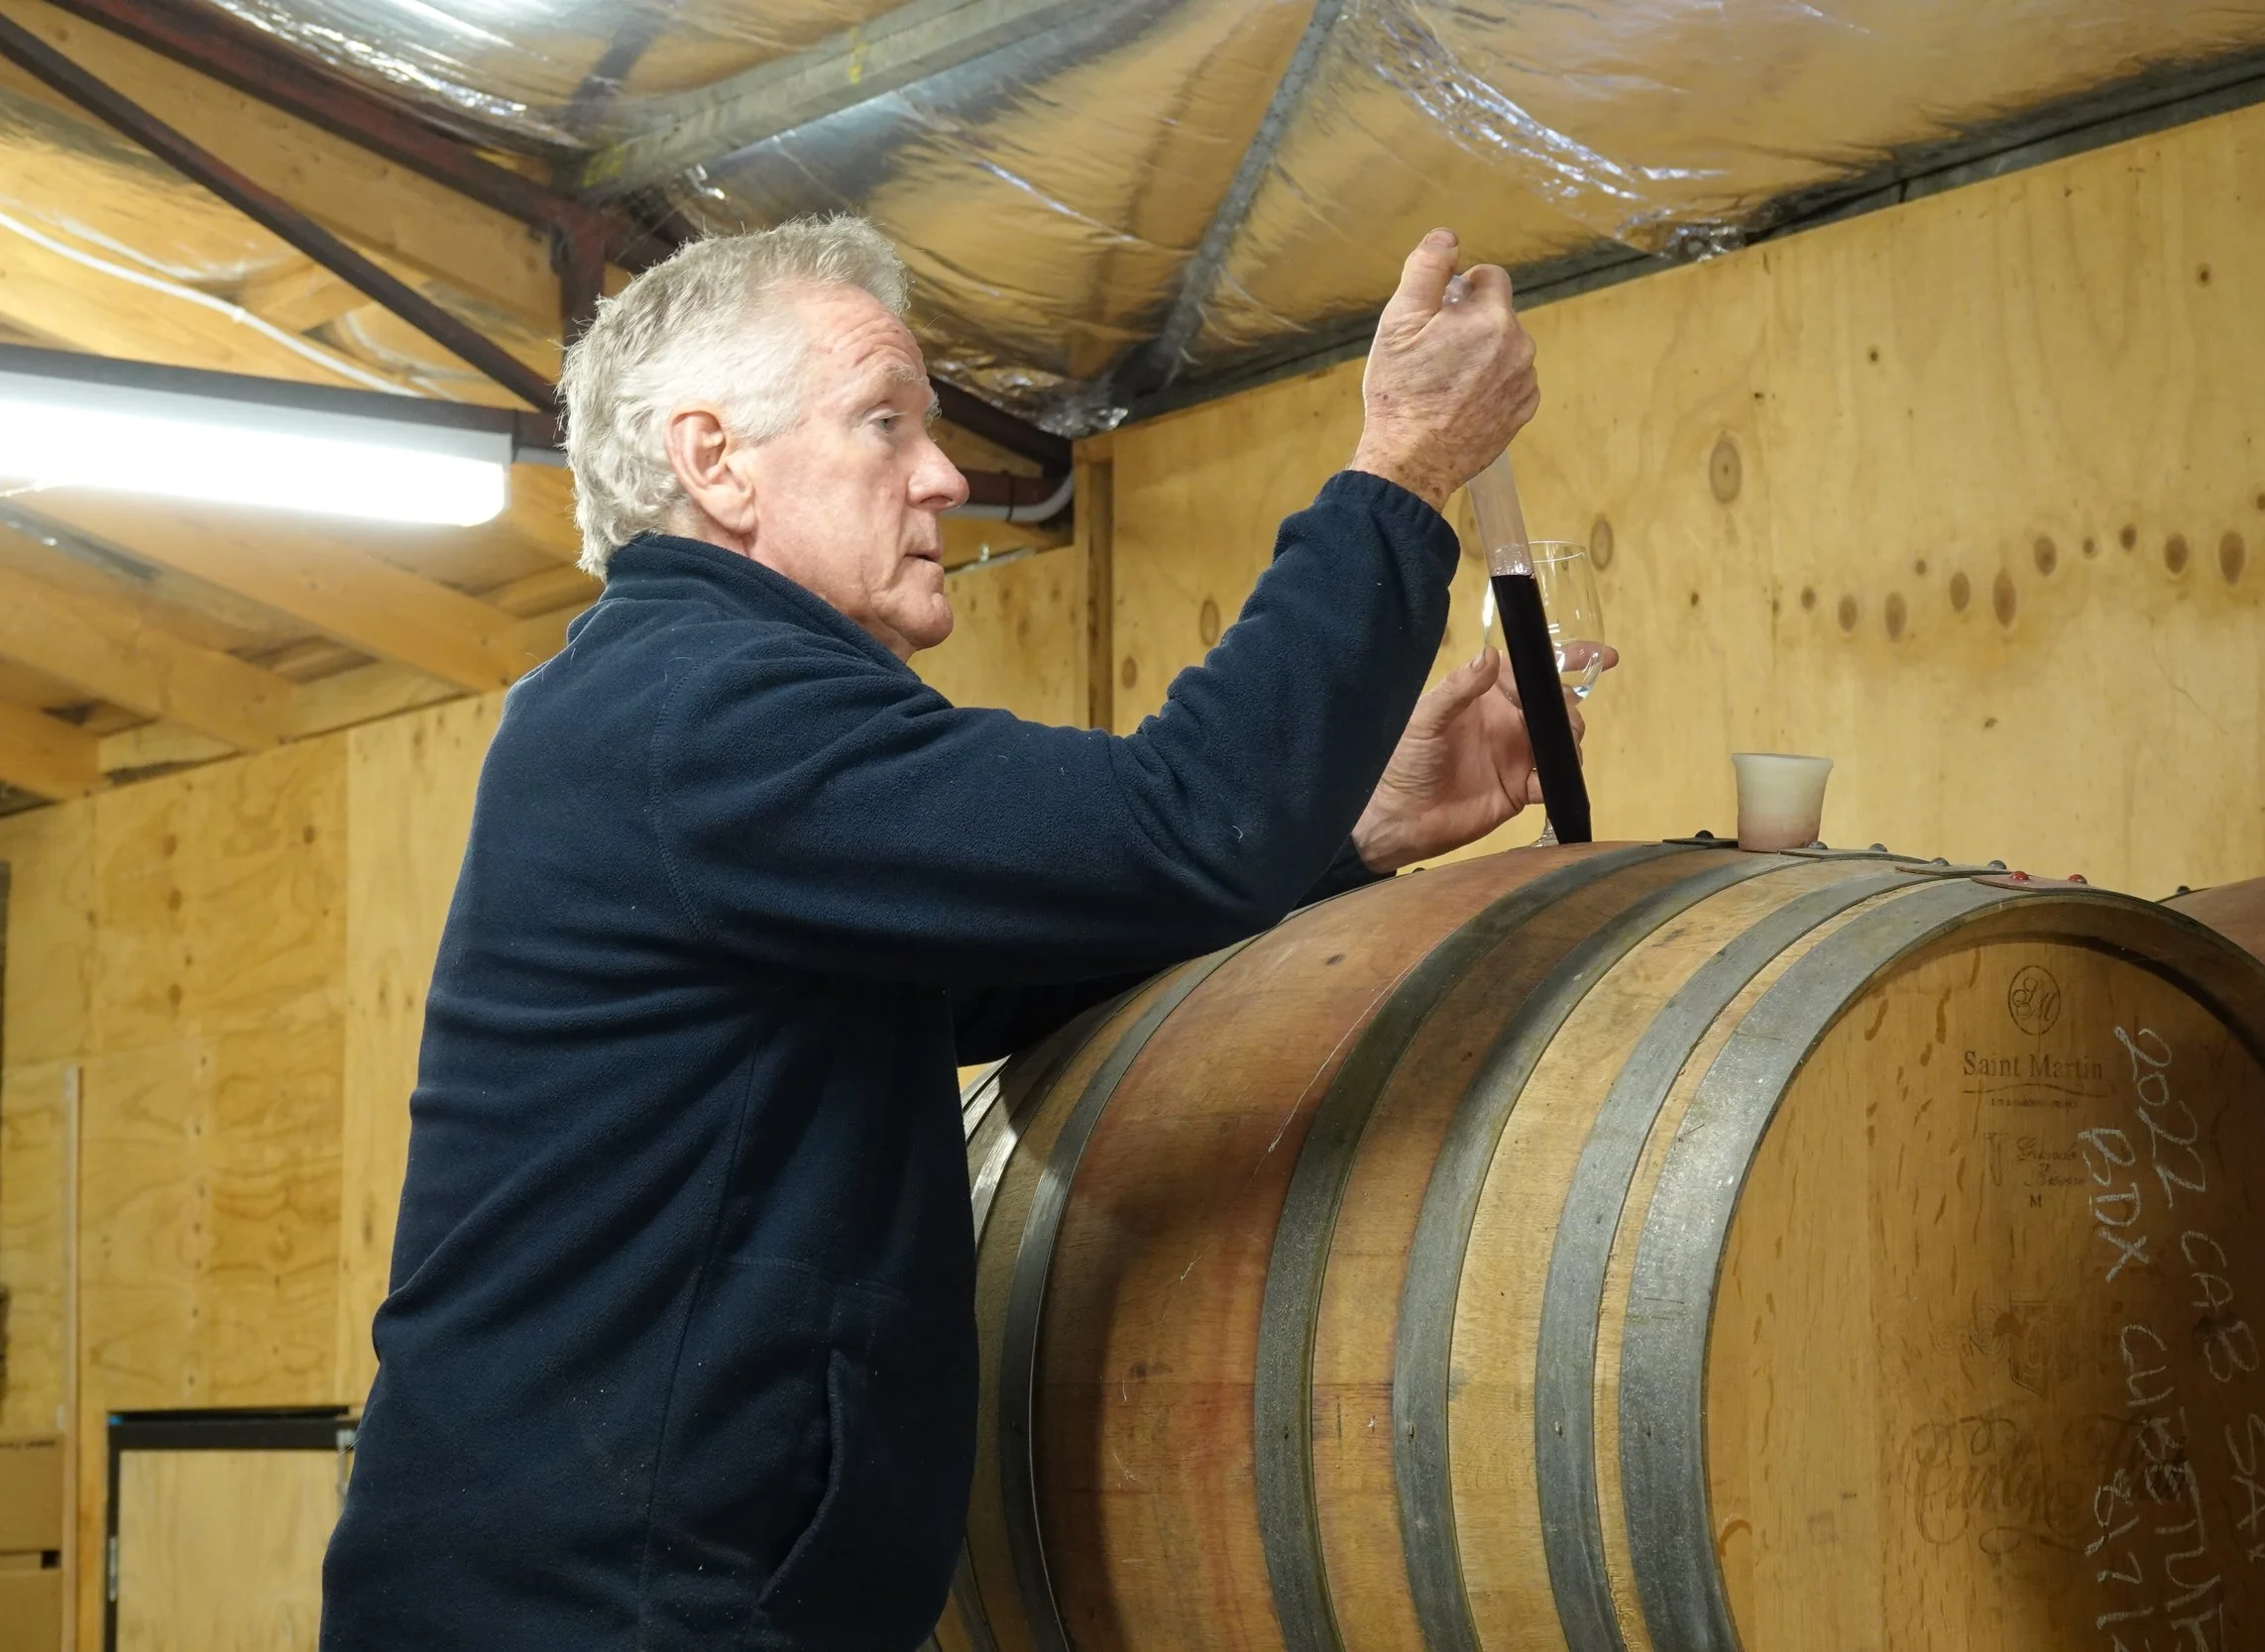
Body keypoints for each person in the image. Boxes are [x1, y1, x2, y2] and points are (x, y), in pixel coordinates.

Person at [321, 215, 1562, 1651]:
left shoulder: (695, 715)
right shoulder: (698, 710)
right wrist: (1401, 468)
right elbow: (1189, 817)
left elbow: (1030, 955)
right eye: (885, 422)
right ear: (714, 461)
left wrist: (1352, 826)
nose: (946, 474)